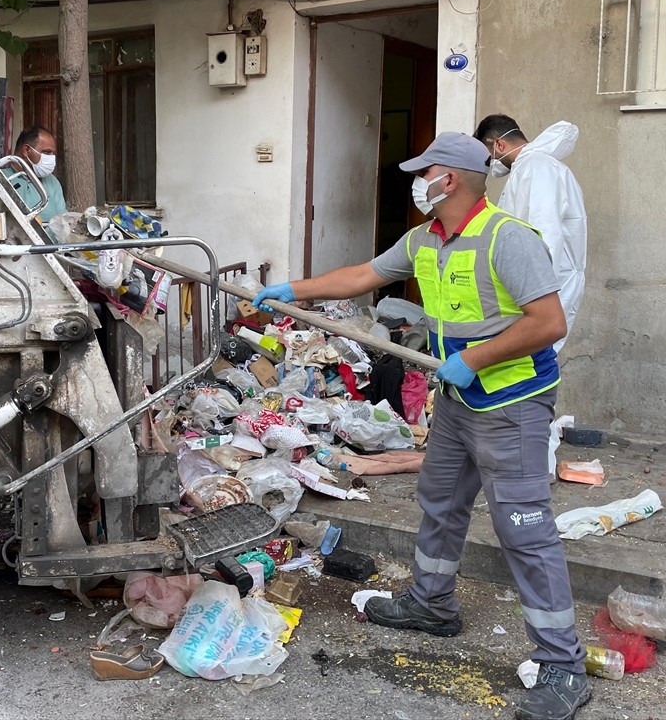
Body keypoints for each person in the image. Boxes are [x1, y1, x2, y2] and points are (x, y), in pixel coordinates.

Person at [253, 132, 591, 720]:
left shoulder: (507, 240)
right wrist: (291, 291)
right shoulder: (424, 240)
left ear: (450, 180)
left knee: (523, 528)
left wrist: (476, 358)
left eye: (423, 172)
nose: (416, 181)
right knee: (439, 500)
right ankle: (432, 604)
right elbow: (362, 275)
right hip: (459, 399)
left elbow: (548, 322)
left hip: (510, 402)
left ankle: (562, 664)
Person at [474, 115, 587, 352]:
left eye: (490, 155)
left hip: (540, 288)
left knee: (534, 361)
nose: (492, 162)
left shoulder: (538, 168)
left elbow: (545, 233)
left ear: (498, 145)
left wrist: (534, 292)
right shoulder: (529, 167)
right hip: (534, 286)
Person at [0, 126, 67, 223]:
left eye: (52, 153)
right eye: (46, 152)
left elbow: (63, 221)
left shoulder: (52, 181)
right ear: (26, 150)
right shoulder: (1, 179)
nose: (51, 158)